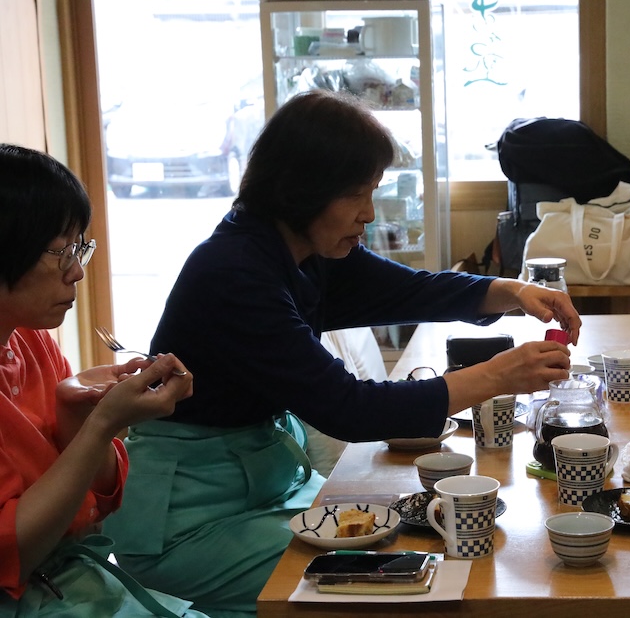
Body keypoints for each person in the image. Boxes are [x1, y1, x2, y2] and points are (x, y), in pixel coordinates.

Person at [104, 89, 583, 617]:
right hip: (187, 522)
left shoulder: (300, 248)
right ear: (303, 191)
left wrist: (510, 291)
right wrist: (496, 376)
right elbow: (350, 409)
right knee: (379, 580)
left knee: (409, 540)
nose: (369, 214)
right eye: (357, 195)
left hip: (263, 487)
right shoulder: (234, 274)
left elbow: (409, 289)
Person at [0, 144, 203, 616]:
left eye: (79, 249)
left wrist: (75, 410)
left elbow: (98, 508)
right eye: (60, 252)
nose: (76, 272)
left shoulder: (31, 339)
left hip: (68, 577)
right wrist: (101, 425)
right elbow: (12, 554)